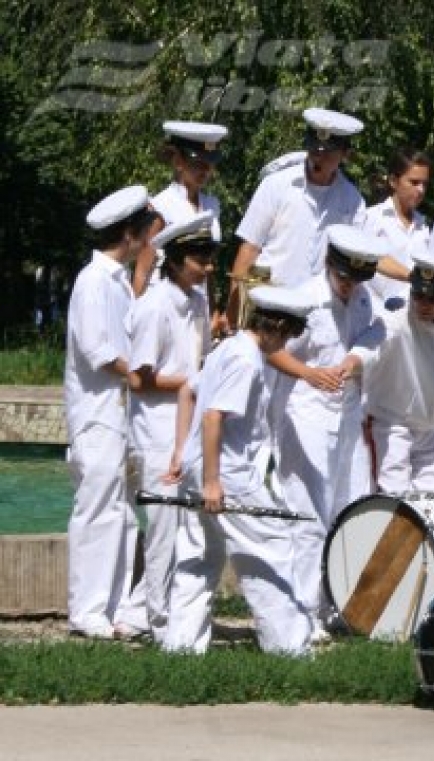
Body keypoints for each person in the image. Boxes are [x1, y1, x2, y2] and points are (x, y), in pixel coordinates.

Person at [163, 284, 318, 656]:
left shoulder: (227, 348)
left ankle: (181, 648)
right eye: (291, 333)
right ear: (276, 326)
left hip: (201, 465)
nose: (288, 343)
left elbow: (189, 390)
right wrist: (213, 482)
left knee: (198, 558)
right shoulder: (246, 361)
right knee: (270, 549)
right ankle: (288, 647)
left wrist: (181, 452)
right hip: (228, 472)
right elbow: (215, 416)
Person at [267, 224, 387, 642]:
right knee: (309, 516)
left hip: (347, 414)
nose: (350, 287)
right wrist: (310, 374)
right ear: (330, 265)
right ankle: (302, 611)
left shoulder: (361, 298)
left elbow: (373, 334)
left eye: (357, 279)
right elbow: (273, 349)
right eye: (344, 278)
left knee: (349, 510)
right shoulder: (304, 299)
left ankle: (339, 605)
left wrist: (355, 359)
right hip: (308, 414)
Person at [64, 185, 157, 640]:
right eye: (144, 231)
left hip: (120, 416)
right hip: (98, 415)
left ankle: (115, 606)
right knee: (96, 511)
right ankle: (86, 610)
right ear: (128, 234)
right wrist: (137, 374)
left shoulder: (119, 281)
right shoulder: (93, 281)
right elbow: (97, 349)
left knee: (120, 514)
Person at [227, 107, 405, 325]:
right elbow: (249, 248)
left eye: (327, 153)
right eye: (314, 150)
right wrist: (232, 314)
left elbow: (369, 254)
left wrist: (413, 275)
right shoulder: (277, 185)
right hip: (269, 306)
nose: (318, 158)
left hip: (317, 313)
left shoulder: (351, 200)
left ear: (345, 155)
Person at [126, 211, 215, 644]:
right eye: (201, 258)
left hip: (188, 426)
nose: (208, 267)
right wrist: (191, 382)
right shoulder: (154, 307)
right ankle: (157, 622)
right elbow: (138, 380)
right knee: (161, 530)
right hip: (158, 428)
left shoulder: (197, 301)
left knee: (187, 529)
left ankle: (166, 614)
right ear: (177, 260)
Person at [342, 250, 434, 494]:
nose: (424, 305)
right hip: (394, 421)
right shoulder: (398, 311)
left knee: (431, 500)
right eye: (419, 296)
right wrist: (352, 361)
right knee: (393, 497)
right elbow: (374, 342)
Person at [134, 121, 228, 298]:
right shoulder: (160, 206)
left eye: (210, 163)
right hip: (165, 302)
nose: (205, 170)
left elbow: (207, 266)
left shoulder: (212, 206)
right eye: (198, 162)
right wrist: (136, 315)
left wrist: (212, 310)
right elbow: (142, 270)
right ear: (178, 161)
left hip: (197, 304)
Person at [364, 146, 432, 308]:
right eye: (414, 182)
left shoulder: (424, 227)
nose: (421, 190)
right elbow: (370, 258)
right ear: (394, 181)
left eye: (425, 184)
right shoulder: (371, 218)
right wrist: (411, 276)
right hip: (375, 316)